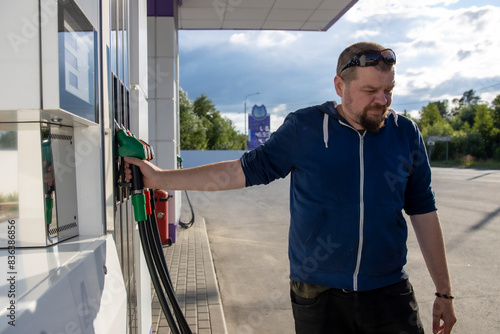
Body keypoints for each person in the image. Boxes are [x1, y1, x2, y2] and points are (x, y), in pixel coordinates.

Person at [125, 41, 457, 334]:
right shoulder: (306, 128)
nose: (382, 100)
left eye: (389, 90)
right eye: (371, 91)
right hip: (318, 295)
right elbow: (240, 171)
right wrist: (159, 178)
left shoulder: (405, 134)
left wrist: (444, 292)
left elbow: (424, 210)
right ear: (340, 85)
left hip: (388, 293)